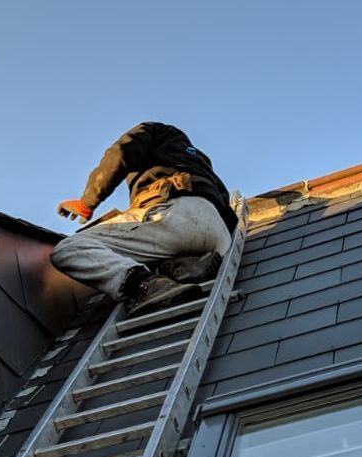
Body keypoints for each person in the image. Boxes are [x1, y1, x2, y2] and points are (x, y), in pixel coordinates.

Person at [51, 122, 237, 316]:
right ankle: (187, 266)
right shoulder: (200, 162)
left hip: (174, 215)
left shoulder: (157, 130)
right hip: (220, 236)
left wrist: (87, 202)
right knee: (158, 246)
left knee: (69, 249)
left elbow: (120, 153)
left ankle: (147, 285)